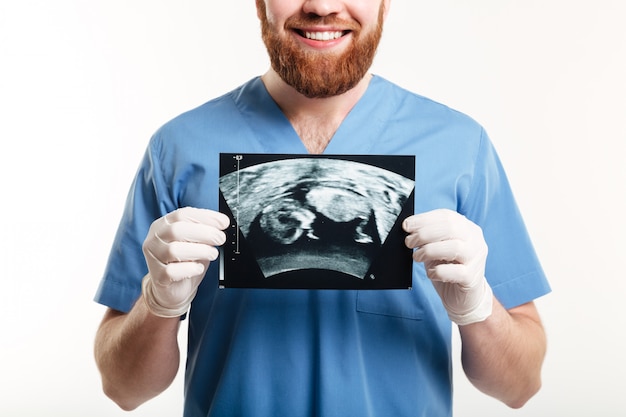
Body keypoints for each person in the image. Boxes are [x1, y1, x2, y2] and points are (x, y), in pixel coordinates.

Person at [94, 1, 551, 416]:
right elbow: (123, 388)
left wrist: (478, 309)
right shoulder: (178, 147)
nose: (323, 6)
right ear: (260, 4)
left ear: (384, 4)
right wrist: (158, 304)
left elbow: (520, 386)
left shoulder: (459, 147)